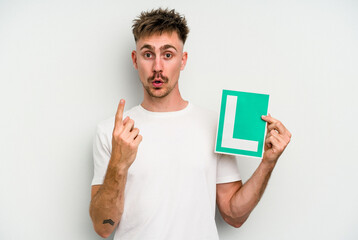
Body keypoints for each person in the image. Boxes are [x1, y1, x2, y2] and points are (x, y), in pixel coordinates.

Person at [89, 8, 291, 240]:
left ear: (182, 60)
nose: (157, 67)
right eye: (148, 54)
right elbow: (103, 227)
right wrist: (118, 164)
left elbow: (234, 216)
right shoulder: (111, 133)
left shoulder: (215, 124)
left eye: (168, 55)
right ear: (135, 60)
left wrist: (268, 163)